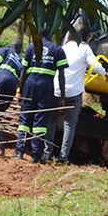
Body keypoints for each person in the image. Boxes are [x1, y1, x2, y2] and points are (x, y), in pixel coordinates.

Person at [47, 31, 107, 163]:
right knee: (69, 124)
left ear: (67, 37)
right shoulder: (84, 48)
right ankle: (63, 157)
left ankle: (47, 152)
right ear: (81, 38)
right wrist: (105, 73)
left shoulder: (61, 49)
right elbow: (95, 66)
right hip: (73, 93)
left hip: (57, 90)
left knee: (51, 120)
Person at [13, 32, 69, 163]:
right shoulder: (57, 49)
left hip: (30, 84)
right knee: (41, 121)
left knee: (25, 118)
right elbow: (61, 75)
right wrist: (62, 96)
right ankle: (35, 155)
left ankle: (19, 151)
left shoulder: (31, 47)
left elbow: (23, 70)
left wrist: (20, 91)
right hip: (46, 86)